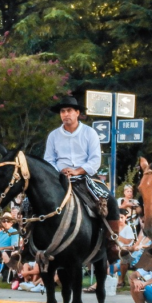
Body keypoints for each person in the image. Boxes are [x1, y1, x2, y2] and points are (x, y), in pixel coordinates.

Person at [43, 96, 123, 260]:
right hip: (58, 178)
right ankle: (27, 244)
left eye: (69, 111)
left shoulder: (89, 132)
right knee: (32, 201)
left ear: (77, 113)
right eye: (63, 111)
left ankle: (112, 243)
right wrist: (61, 171)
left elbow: (95, 160)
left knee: (111, 201)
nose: (66, 114)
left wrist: (77, 171)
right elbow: (48, 160)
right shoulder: (53, 135)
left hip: (85, 178)